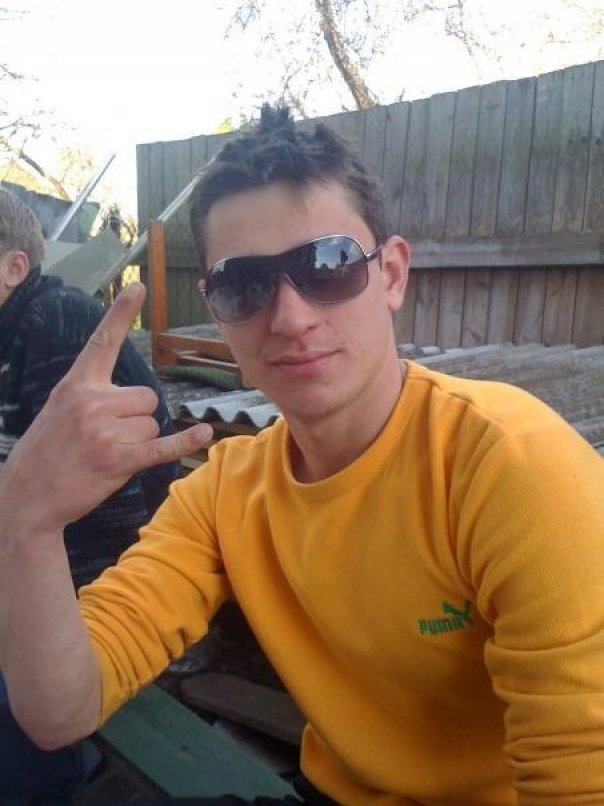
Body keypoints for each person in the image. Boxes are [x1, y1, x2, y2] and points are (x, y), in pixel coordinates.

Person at [1, 105, 603, 804]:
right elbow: (61, 712)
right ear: (217, 310)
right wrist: (26, 519)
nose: (290, 317)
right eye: (244, 285)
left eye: (328, 264)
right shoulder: (225, 492)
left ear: (392, 275)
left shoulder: (511, 467)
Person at [0, 187, 181, 802]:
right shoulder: (9, 333)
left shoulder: (56, 322)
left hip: (116, 557)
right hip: (52, 545)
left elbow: (84, 505)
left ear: (14, 267)